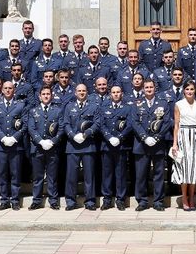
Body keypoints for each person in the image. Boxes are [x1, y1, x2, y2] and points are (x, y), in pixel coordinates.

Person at [132, 82, 172, 211]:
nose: (149, 89)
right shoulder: (137, 103)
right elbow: (134, 122)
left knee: (159, 174)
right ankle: (142, 201)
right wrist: (145, 137)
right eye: (147, 87)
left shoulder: (163, 103)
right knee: (141, 174)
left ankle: (158, 201)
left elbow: (167, 123)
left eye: (151, 87)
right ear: (143, 89)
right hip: (141, 144)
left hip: (157, 144)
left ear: (155, 88)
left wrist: (156, 137)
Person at [170, 80, 196, 211]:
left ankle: (192, 198)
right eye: (187, 89)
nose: (190, 92)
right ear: (184, 91)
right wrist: (175, 143)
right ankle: (184, 197)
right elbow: (176, 125)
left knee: (194, 169)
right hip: (183, 136)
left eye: (192, 89)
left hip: (195, 137)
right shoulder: (178, 104)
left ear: (194, 90)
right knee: (184, 168)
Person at [64, 83, 100, 211]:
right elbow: (66, 124)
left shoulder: (94, 107)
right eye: (79, 91)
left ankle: (90, 201)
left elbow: (97, 123)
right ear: (75, 93)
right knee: (71, 176)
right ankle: (70, 201)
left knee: (89, 176)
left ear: (87, 92)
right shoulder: (69, 107)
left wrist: (87, 133)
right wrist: (73, 136)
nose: (81, 93)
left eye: (84, 91)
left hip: (88, 145)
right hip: (72, 145)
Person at [0, 80, 26, 210]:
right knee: (2, 174)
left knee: (15, 174)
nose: (7, 90)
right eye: (5, 88)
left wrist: (14, 138)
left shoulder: (20, 105)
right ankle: (4, 200)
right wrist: (3, 137)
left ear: (14, 90)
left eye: (10, 88)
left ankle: (15, 200)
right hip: (0, 146)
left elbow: (24, 125)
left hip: (16, 146)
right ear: (2, 90)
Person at [28, 86, 64, 210]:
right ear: (39, 96)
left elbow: (61, 129)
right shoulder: (33, 111)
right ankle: (36, 200)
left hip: (52, 148)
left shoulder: (58, 111)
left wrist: (52, 142)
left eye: (48, 94)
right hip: (38, 148)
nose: (46, 96)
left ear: (52, 96)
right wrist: (41, 141)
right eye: (43, 94)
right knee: (37, 177)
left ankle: (53, 200)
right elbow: (31, 128)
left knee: (52, 176)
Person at [98, 85, 133, 210]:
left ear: (122, 93)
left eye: (118, 92)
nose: (116, 94)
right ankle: (107, 199)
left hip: (121, 146)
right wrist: (109, 137)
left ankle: (120, 199)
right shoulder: (103, 108)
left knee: (121, 174)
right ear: (110, 94)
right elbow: (101, 125)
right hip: (107, 146)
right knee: (107, 174)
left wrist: (120, 137)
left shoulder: (128, 108)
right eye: (113, 92)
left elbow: (130, 125)